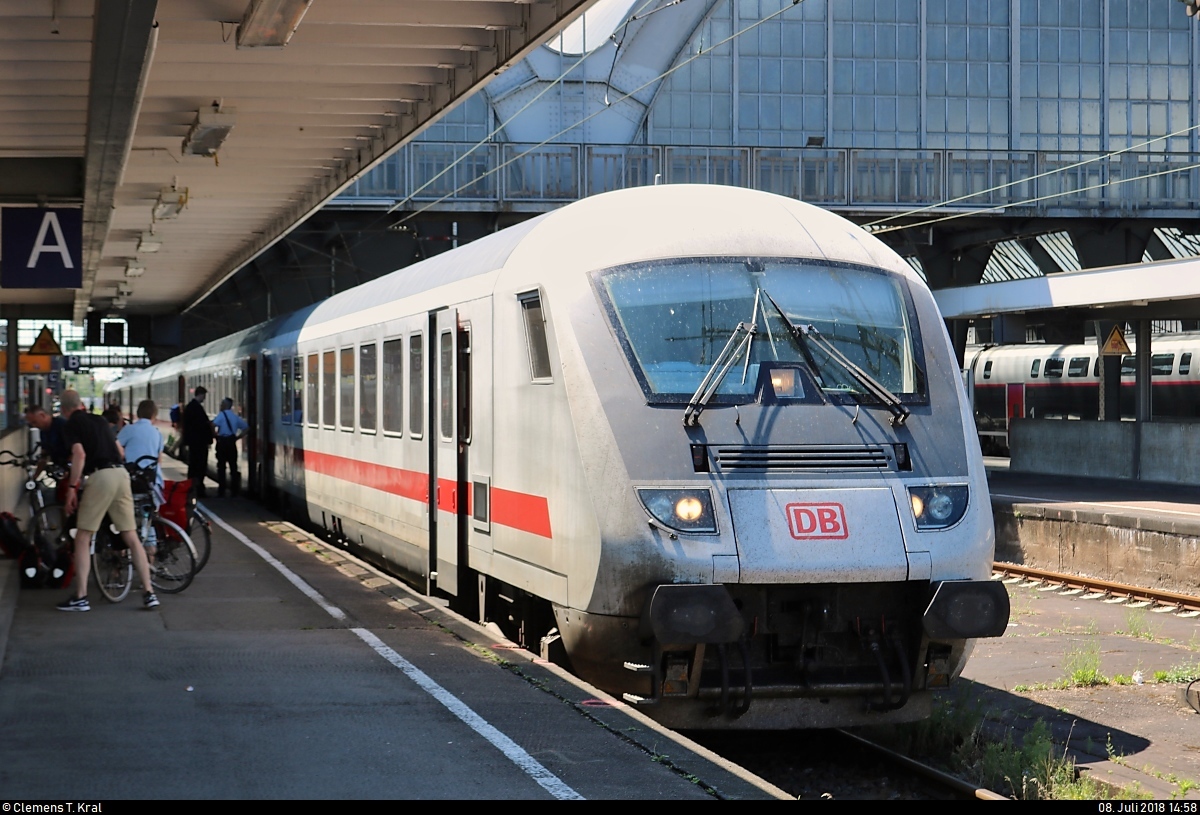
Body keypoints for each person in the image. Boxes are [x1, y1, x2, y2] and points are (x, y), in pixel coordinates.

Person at [55, 389, 158, 612]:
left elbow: (80, 455)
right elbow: (120, 452)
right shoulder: (100, 420)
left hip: (100, 476)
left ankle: (81, 597)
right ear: (81, 404)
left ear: (64, 410)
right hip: (121, 475)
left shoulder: (71, 425)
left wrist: (72, 487)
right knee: (131, 536)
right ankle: (149, 593)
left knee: (83, 536)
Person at [212, 397, 249, 498]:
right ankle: (234, 490)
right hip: (232, 442)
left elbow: (212, 425)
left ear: (225, 405)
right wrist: (238, 437)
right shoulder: (235, 417)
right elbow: (246, 428)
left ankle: (222, 490)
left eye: (222, 404)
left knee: (221, 467)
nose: (220, 405)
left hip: (222, 442)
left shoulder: (221, 415)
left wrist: (215, 435)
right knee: (233, 466)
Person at [182, 386, 213, 498]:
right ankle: (198, 488)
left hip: (193, 442)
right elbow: (201, 425)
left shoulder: (190, 407)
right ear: (201, 394)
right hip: (199, 443)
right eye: (204, 396)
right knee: (199, 466)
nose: (204, 398)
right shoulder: (196, 408)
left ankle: (192, 487)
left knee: (193, 465)